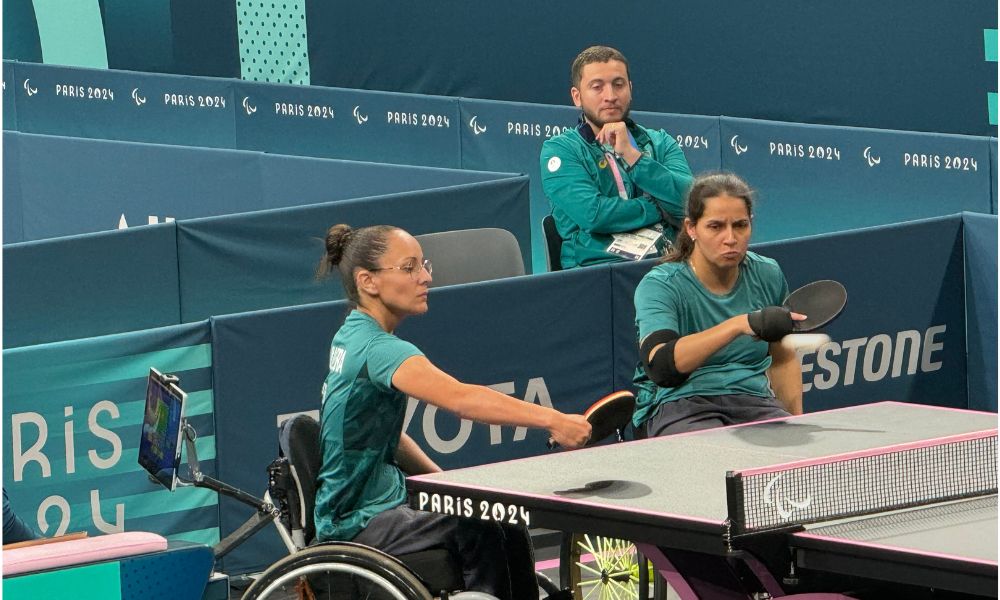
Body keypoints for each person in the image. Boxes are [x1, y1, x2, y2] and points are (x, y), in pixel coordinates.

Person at [313, 224, 592, 600]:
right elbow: (462, 399)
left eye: (423, 265)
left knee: (492, 510)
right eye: (409, 268)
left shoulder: (351, 333)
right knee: (486, 521)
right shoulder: (378, 350)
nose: (426, 276)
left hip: (369, 503)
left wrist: (446, 485)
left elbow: (386, 436)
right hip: (356, 522)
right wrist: (553, 419)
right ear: (368, 281)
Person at [631, 173, 805, 439]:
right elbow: (661, 366)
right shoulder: (661, 285)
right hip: (679, 404)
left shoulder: (767, 273)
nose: (730, 238)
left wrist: (797, 426)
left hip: (753, 400)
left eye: (740, 225)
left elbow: (782, 359)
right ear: (691, 228)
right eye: (715, 226)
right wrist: (738, 325)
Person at [540, 45, 694, 270]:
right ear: (577, 96)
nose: (610, 96)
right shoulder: (561, 150)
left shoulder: (660, 142)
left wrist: (634, 157)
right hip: (600, 272)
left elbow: (691, 203)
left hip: (669, 264)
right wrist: (658, 207)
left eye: (618, 84)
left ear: (630, 89)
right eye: (597, 87)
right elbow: (594, 215)